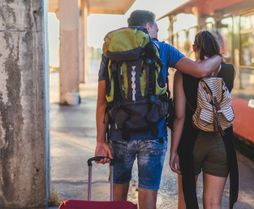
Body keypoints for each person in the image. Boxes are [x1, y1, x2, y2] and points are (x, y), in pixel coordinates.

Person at [94, 10, 222, 209]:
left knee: (117, 196)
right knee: (148, 193)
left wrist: (101, 141)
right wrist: (219, 57)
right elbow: (200, 70)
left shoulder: (111, 52)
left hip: (120, 133)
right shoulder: (163, 49)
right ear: (147, 27)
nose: (158, 30)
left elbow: (102, 102)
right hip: (153, 133)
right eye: (156, 27)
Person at [169, 30, 239, 209]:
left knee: (186, 201)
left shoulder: (182, 74)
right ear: (216, 49)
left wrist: (174, 151)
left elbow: (179, 116)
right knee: (213, 203)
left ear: (194, 48)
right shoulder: (229, 71)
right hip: (221, 142)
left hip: (191, 143)